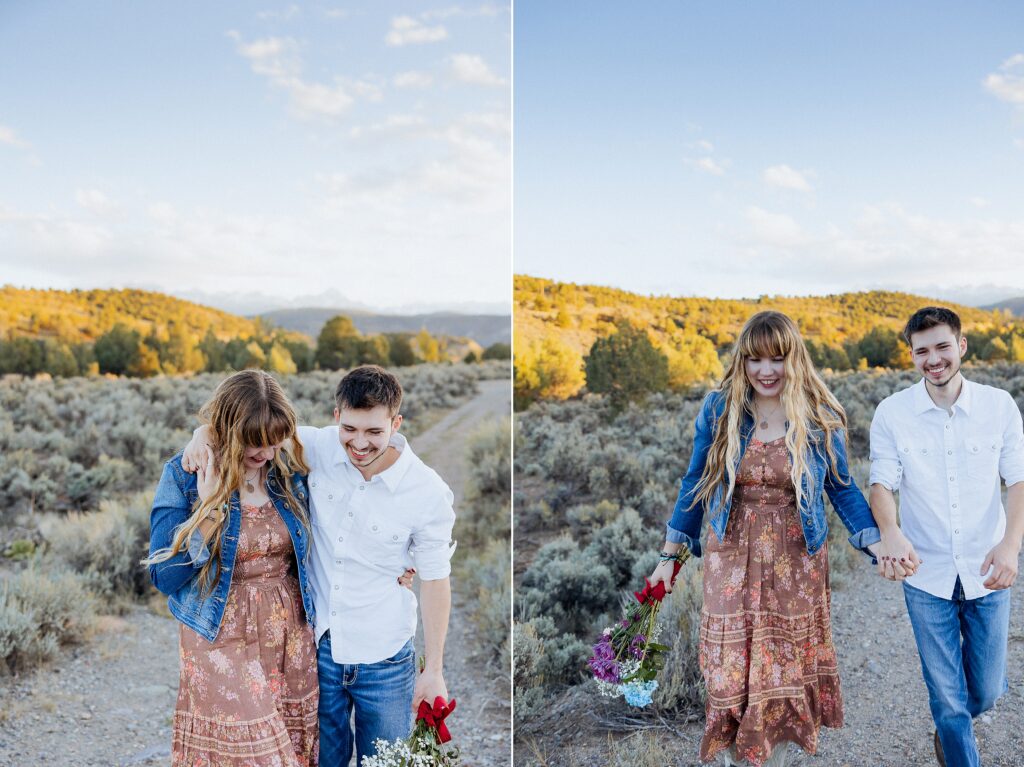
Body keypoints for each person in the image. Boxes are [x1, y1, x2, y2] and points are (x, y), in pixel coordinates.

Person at [185, 364, 456, 766]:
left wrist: (433, 670)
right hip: (319, 653)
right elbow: (247, 425)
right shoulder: (316, 446)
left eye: (374, 432)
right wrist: (203, 433)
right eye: (349, 429)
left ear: (396, 424)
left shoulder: (427, 491)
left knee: (387, 763)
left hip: (384, 657)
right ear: (336, 416)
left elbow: (436, 580)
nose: (359, 443)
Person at [648, 311, 882, 767]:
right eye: (755, 359)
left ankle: (772, 759)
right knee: (728, 674)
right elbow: (694, 483)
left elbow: (842, 488)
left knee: (782, 670)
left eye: (777, 358)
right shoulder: (720, 409)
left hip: (795, 563)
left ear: (795, 358)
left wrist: (877, 544)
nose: (766, 370)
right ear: (742, 360)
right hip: (730, 559)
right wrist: (669, 558)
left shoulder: (818, 414)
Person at [868, 306, 1024, 767]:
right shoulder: (892, 413)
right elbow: (881, 484)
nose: (933, 359)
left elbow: (1018, 480)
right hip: (926, 574)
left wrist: (1010, 546)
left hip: (987, 568)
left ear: (962, 346)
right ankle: (955, 735)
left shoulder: (999, 406)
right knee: (948, 698)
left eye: (942, 347)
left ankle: (951, 725)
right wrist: (891, 532)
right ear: (911, 355)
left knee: (988, 691)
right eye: (922, 351)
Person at [145, 370, 320, 766]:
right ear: (230, 430)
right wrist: (210, 509)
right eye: (255, 443)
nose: (267, 454)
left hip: (290, 635)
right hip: (219, 635)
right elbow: (164, 576)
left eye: (274, 441)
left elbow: (358, 458)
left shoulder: (287, 469)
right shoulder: (185, 474)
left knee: (292, 750)